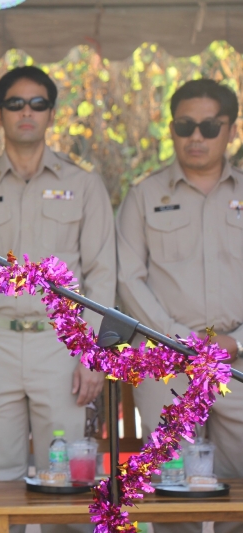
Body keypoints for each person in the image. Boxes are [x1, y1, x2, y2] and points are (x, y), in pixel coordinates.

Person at [0, 66, 115, 533]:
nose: (27, 112)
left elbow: (102, 272)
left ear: (51, 113)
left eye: (38, 103)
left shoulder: (84, 185)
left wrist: (93, 353)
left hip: (61, 346)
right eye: (16, 103)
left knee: (69, 482)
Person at [117, 79, 243, 533]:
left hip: (237, 362)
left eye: (210, 126)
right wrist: (176, 339)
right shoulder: (144, 195)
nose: (197, 136)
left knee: (241, 495)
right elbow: (128, 277)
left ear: (231, 129)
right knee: (169, 494)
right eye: (186, 125)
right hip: (167, 362)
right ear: (171, 128)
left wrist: (235, 341)